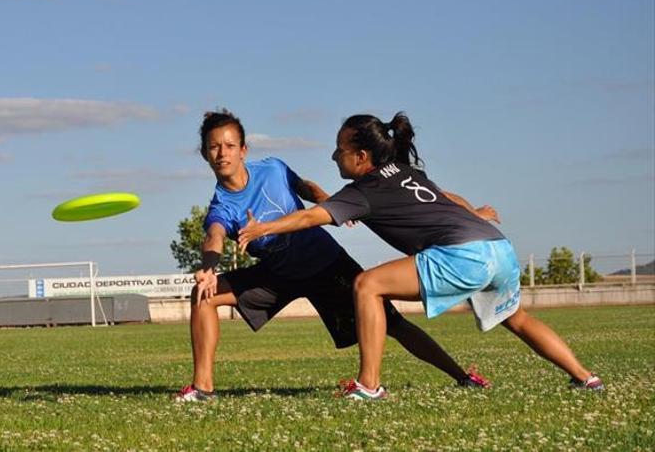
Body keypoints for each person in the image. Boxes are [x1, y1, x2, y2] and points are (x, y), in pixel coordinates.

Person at [238, 112, 603, 400]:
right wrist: (475, 213)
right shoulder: (406, 172)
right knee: (518, 319)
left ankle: (369, 385)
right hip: (497, 246)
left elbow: (308, 216)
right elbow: (447, 198)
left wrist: (263, 229)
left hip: (464, 254)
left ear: (361, 157)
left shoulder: (362, 191)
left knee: (366, 285)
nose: (334, 155)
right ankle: (586, 378)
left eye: (340, 149)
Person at [175, 109, 490, 402]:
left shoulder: (272, 168)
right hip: (278, 275)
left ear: (243, 150)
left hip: (325, 263)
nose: (222, 153)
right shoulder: (222, 205)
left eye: (229, 145)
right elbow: (213, 236)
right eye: (214, 147)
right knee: (204, 294)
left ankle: (463, 377)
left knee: (394, 323)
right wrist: (208, 268)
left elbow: (303, 187)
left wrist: (330, 202)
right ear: (205, 154)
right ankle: (203, 388)